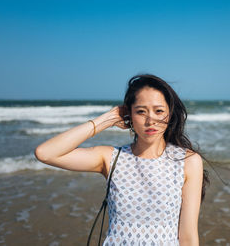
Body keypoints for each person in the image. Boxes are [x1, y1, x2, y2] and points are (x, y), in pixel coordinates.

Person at [34, 74, 210, 246]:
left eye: (159, 111)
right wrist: (107, 119)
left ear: (170, 114)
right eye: (141, 112)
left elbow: (188, 237)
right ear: (129, 115)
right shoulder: (111, 158)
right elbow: (46, 153)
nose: (150, 120)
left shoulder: (187, 161)